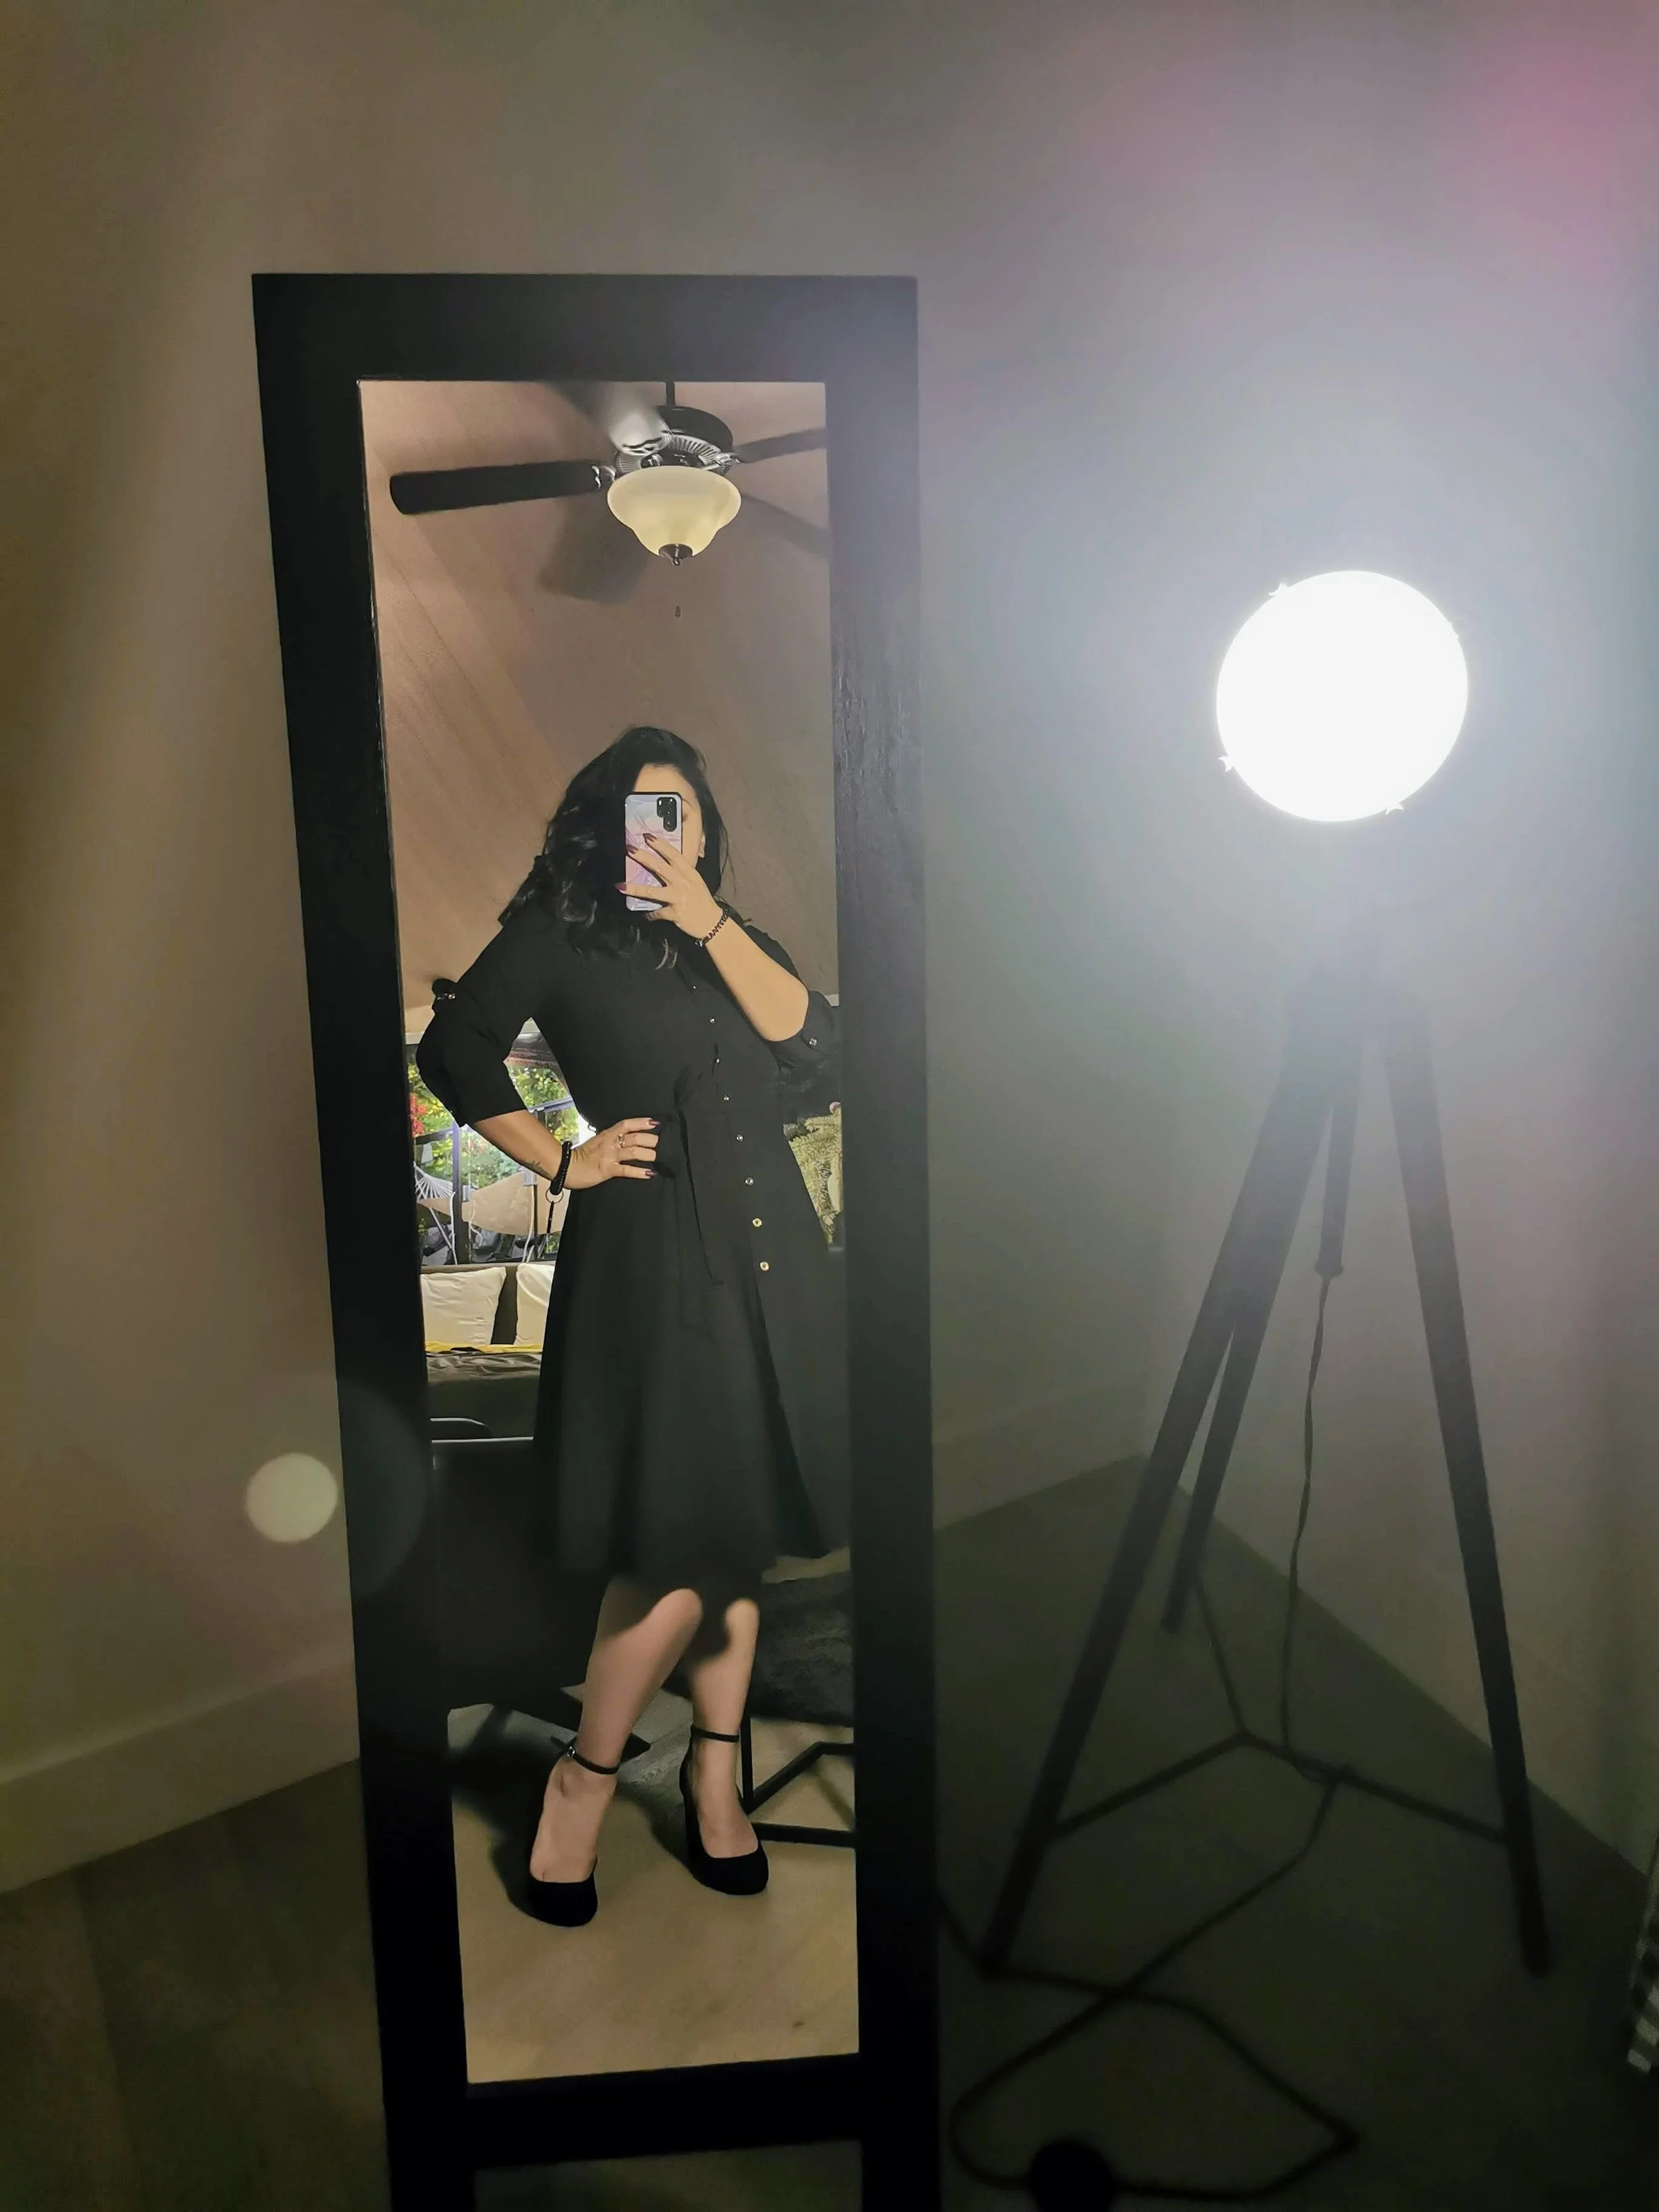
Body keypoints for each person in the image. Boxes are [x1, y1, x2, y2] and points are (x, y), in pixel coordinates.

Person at [417, 725, 847, 1925]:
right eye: (641, 811)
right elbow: (456, 1048)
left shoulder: (734, 939)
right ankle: (586, 1781)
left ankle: (714, 1774)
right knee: (673, 1549)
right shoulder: (561, 932)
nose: (664, 831)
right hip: (655, 1262)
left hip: (772, 1264)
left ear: (704, 828)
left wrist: (710, 922)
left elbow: (818, 1055)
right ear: (601, 830)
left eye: (682, 810)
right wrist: (564, 1158)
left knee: (739, 1538)